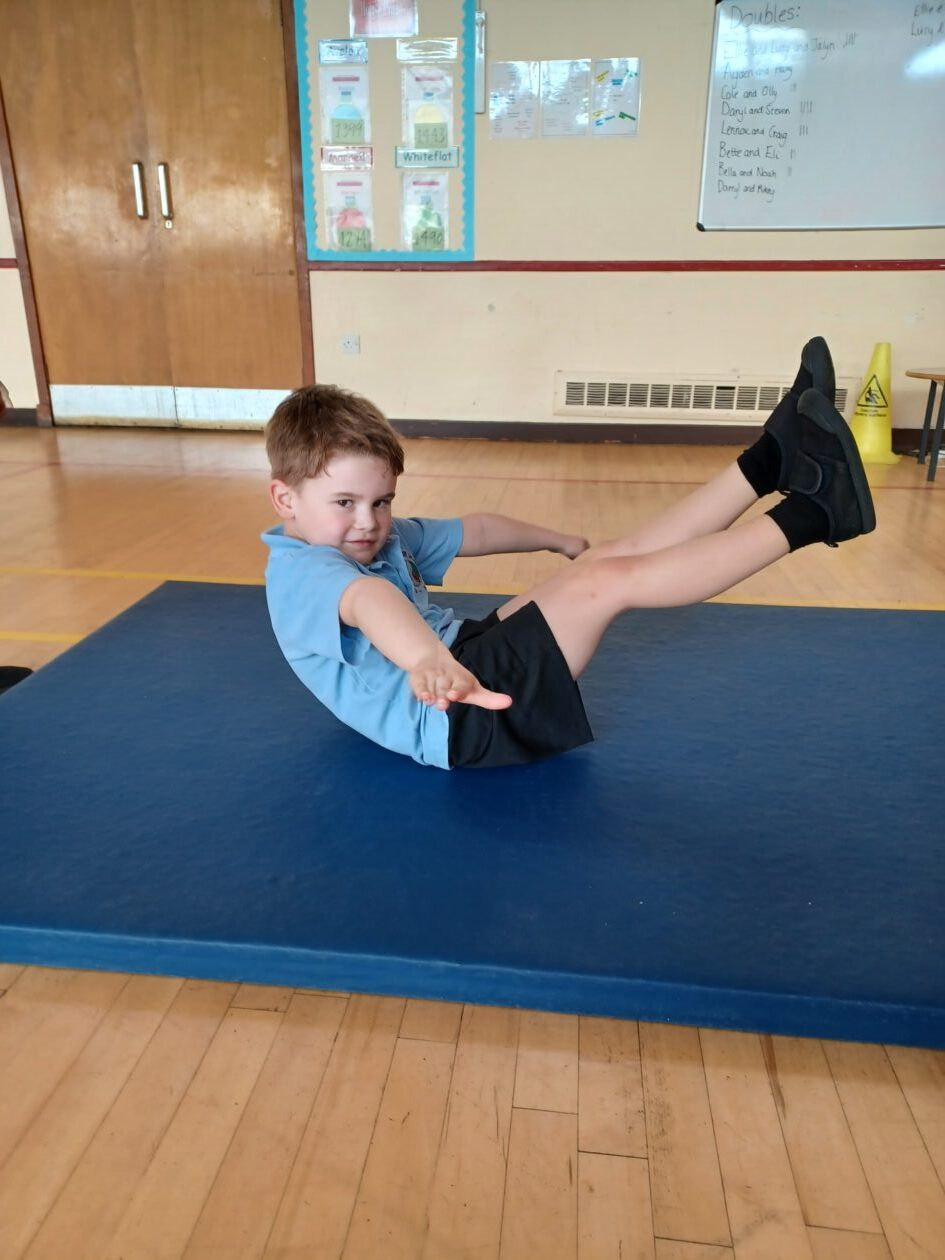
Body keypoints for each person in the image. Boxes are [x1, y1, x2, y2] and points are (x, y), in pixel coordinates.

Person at [261, 337, 874, 770]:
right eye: (345, 503)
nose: (368, 521)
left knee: (605, 561)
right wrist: (426, 658)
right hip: (456, 717)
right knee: (606, 584)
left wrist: (555, 540)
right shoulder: (304, 572)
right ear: (285, 498)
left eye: (382, 501)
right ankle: (816, 513)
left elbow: (474, 531)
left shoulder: (377, 534)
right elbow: (370, 602)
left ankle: (769, 460)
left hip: (463, 656)